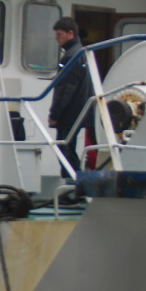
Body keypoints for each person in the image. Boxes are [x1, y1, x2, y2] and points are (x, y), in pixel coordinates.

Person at [47, 17, 94, 178]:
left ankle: (72, 186)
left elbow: (66, 88)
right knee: (69, 148)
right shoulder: (81, 52)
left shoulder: (70, 56)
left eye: (59, 34)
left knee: (64, 149)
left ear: (70, 33)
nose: (56, 38)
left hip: (69, 113)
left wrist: (55, 114)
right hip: (80, 110)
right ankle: (75, 186)